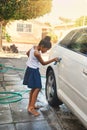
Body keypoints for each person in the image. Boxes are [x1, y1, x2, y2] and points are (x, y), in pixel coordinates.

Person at [23, 36, 59, 116]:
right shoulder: (37, 53)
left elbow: (27, 53)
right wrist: (53, 59)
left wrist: (31, 61)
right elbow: (43, 63)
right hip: (34, 71)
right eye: (46, 49)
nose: (46, 51)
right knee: (38, 88)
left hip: (30, 69)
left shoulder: (34, 47)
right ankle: (31, 108)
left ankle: (30, 105)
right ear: (42, 46)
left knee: (34, 88)